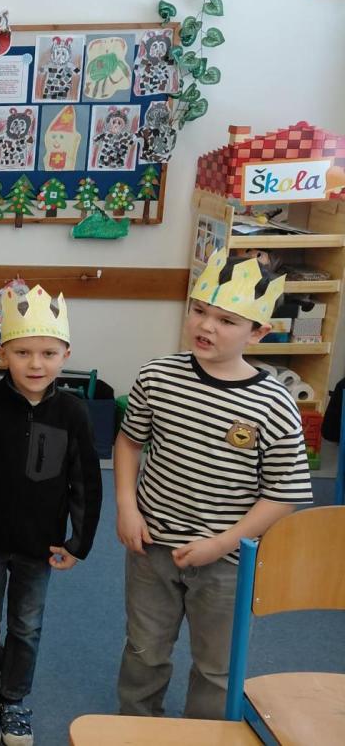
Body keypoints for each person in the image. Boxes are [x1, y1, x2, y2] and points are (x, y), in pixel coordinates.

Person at [115, 251, 312, 720]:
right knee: (144, 650)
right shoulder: (158, 376)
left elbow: (282, 494)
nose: (206, 326)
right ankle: (137, 728)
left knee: (217, 666)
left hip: (226, 561)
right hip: (152, 547)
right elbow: (129, 442)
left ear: (258, 332)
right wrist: (126, 506)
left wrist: (222, 542)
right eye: (200, 310)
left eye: (227, 320)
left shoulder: (273, 403)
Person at [0, 284, 101, 746]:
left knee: (26, 626)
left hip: (40, 544)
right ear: (2, 354)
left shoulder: (71, 412)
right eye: (23, 352)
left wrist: (79, 542)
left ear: (65, 354)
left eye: (48, 353)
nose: (36, 364)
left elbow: (85, 481)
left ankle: (14, 698)